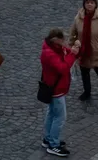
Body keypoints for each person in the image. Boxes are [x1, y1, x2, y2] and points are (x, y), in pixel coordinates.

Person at [40, 28, 81, 156]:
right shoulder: (49, 54)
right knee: (60, 117)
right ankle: (53, 144)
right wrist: (72, 54)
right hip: (56, 90)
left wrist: (75, 49)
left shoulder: (57, 48)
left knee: (52, 114)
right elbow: (62, 68)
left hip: (56, 88)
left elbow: (70, 54)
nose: (65, 41)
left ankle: (48, 138)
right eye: (62, 39)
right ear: (56, 40)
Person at [69, 0, 98, 102]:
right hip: (83, 52)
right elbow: (73, 33)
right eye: (87, 2)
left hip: (97, 52)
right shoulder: (79, 18)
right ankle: (87, 92)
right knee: (85, 74)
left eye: (92, 2)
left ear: (95, 4)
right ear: (84, 4)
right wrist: (73, 45)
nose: (89, 5)